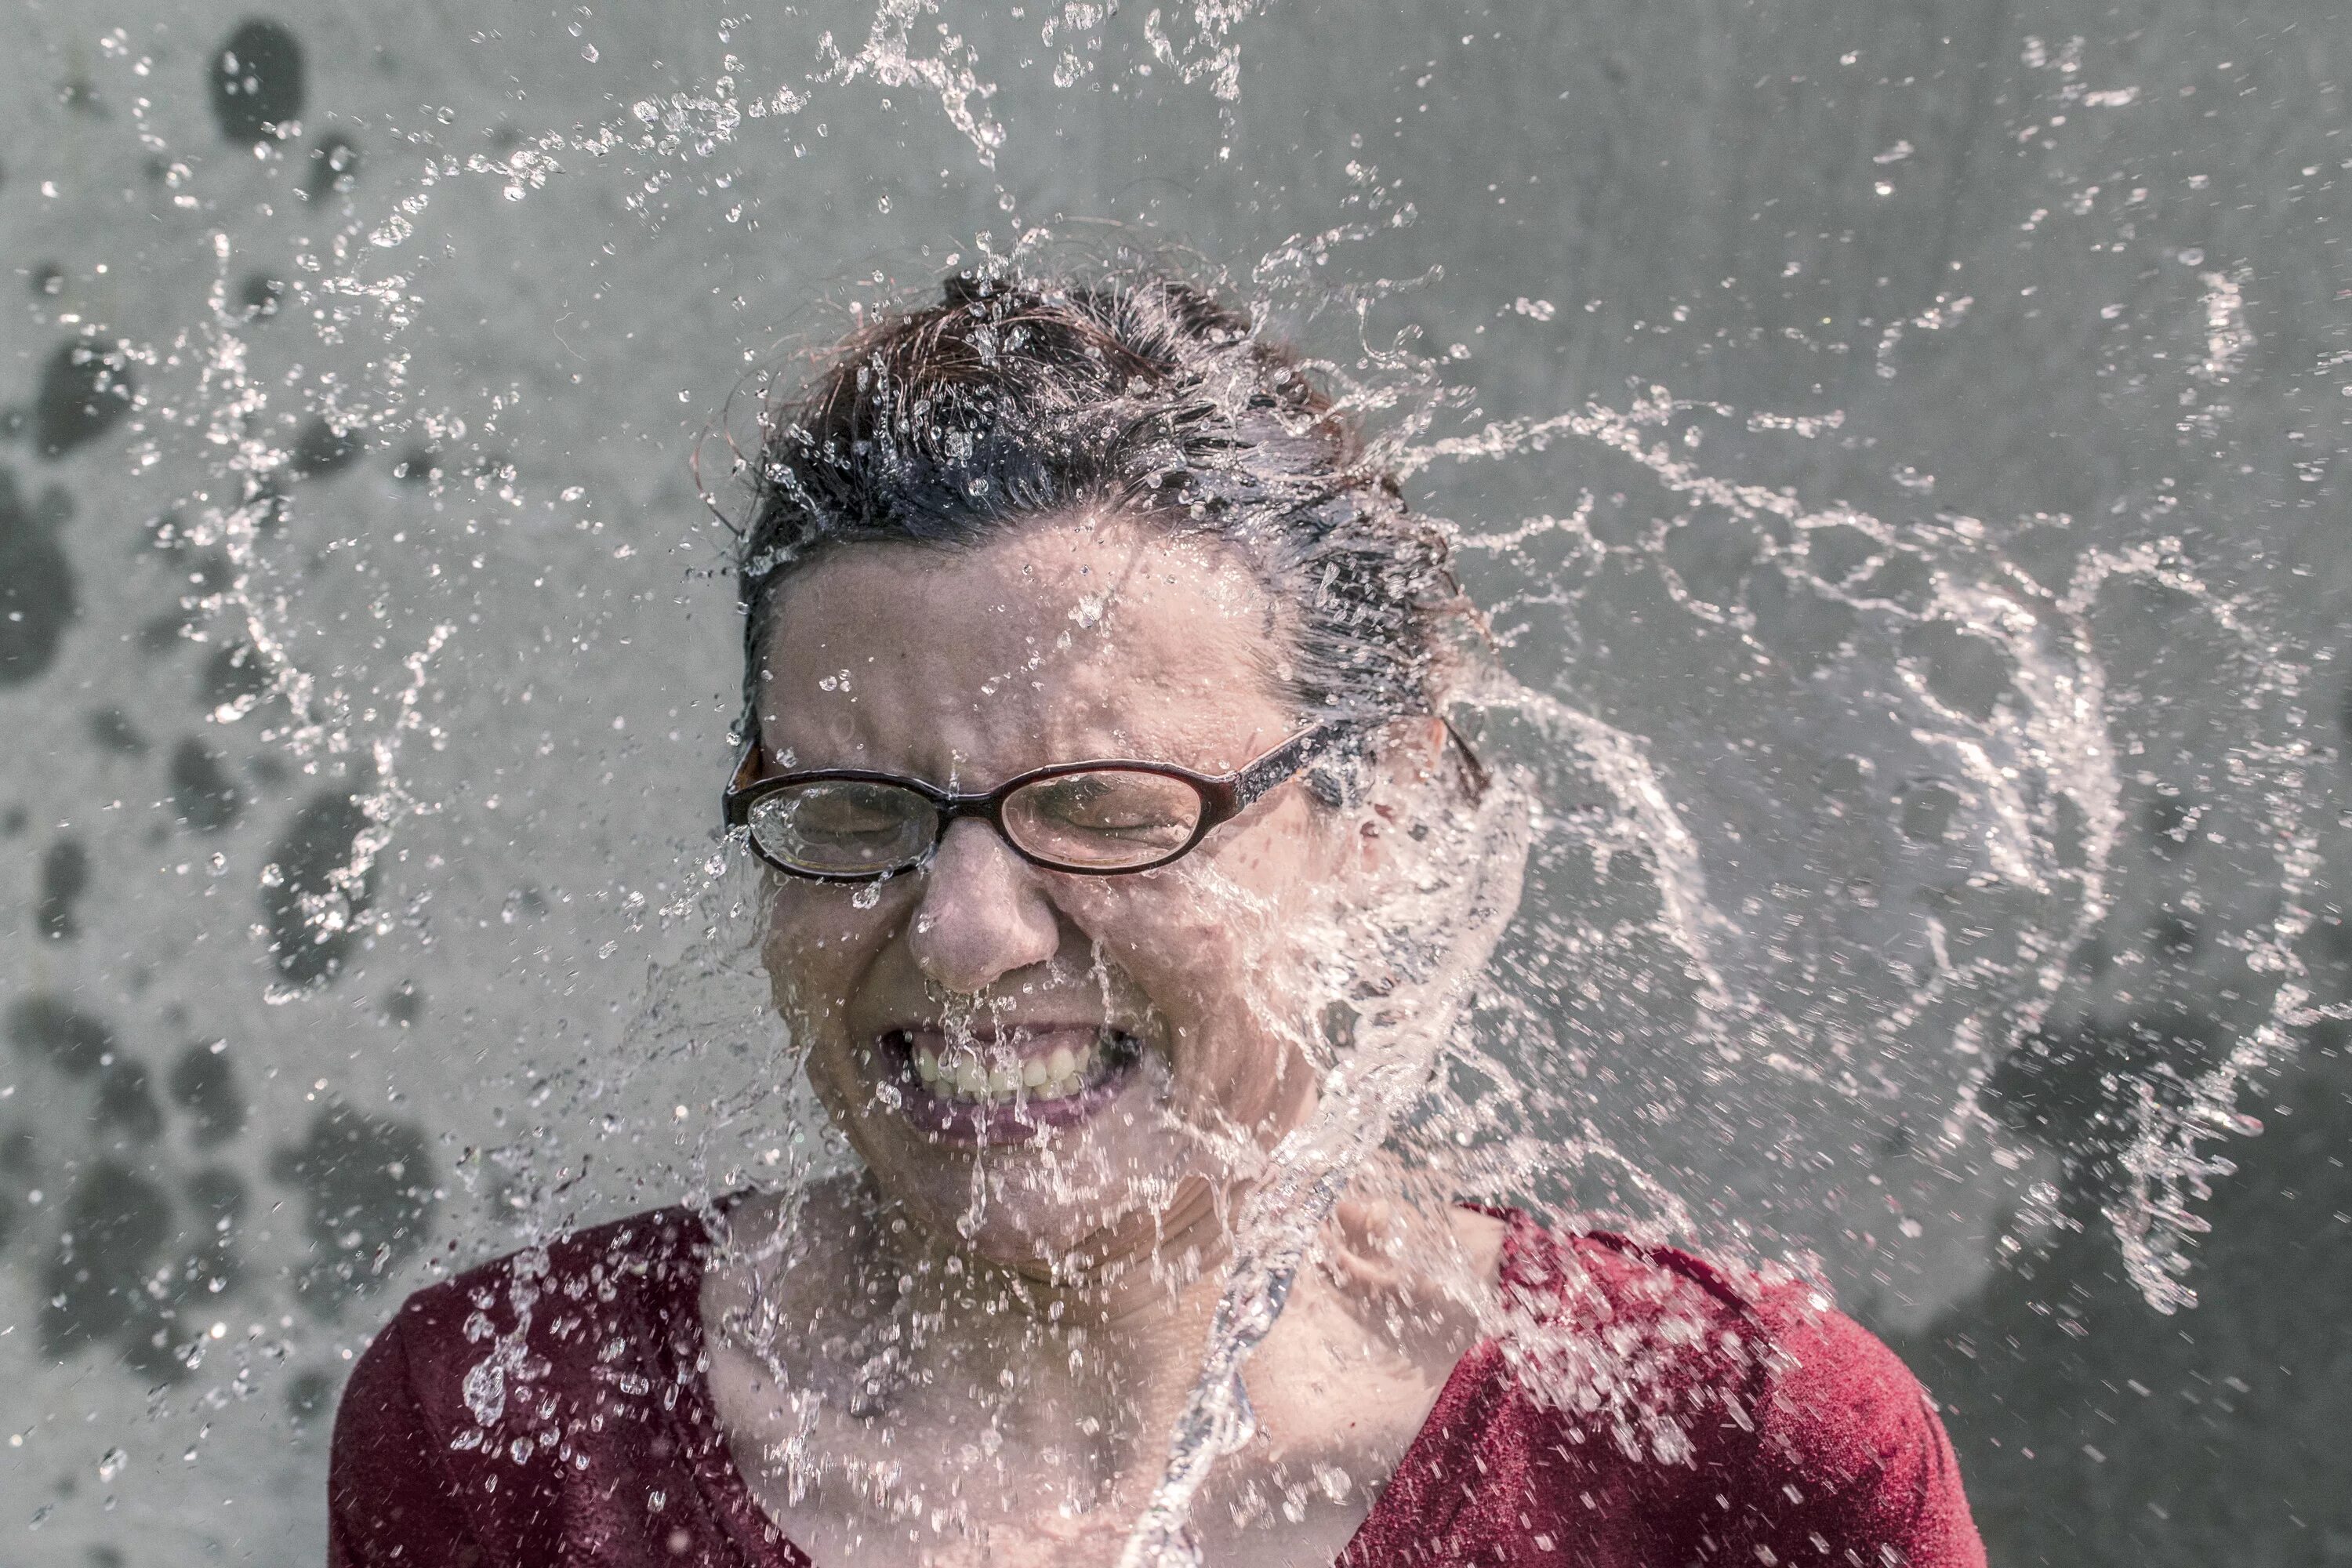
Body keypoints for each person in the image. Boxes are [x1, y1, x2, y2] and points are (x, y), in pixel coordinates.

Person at [328, 270, 1985, 1567]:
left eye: (1108, 810)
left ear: (1385, 816)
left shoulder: (1736, 1451)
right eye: (852, 817)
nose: (966, 932)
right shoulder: (508, 1421)